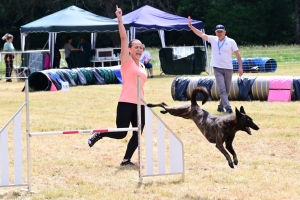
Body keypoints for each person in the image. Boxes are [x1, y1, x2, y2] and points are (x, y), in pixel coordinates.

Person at [87, 5, 147, 166]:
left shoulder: (142, 67)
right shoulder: (126, 62)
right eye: (136, 47)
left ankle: (126, 160)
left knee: (138, 134)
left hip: (140, 104)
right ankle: (100, 133)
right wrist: (120, 19)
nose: (139, 49)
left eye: (141, 47)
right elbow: (123, 38)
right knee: (121, 133)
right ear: (129, 50)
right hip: (126, 102)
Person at [188, 17, 243, 114]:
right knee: (222, 89)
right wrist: (191, 26)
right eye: (218, 32)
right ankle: (228, 108)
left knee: (227, 90)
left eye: (221, 31)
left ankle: (220, 106)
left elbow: (238, 55)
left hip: (228, 68)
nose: (219, 33)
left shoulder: (231, 41)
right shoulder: (213, 39)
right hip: (217, 68)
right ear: (215, 32)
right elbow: (201, 34)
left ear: (225, 32)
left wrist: (240, 67)